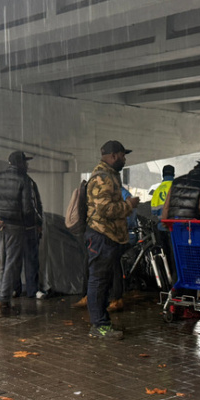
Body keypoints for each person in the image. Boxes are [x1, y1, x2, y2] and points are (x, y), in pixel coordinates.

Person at [85, 140, 138, 339]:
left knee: (103, 281)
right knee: (99, 281)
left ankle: (102, 322)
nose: (124, 160)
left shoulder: (109, 175)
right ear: (114, 156)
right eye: (123, 156)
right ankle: (99, 326)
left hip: (106, 236)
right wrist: (129, 205)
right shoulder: (103, 178)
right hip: (102, 235)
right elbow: (105, 209)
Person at [0, 151, 41, 317]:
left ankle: (4, 296)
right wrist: (32, 223)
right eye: (25, 162)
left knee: (4, 262)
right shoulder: (23, 180)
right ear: (20, 163)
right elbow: (27, 208)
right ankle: (3, 299)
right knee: (11, 263)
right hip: (15, 226)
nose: (27, 165)